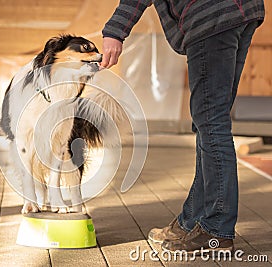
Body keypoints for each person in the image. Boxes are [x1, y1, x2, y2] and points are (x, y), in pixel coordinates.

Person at [101, 0, 265, 252]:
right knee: (209, 123)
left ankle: (216, 230)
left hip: (212, 15)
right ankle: (192, 221)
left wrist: (115, 31)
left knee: (211, 124)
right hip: (243, 12)